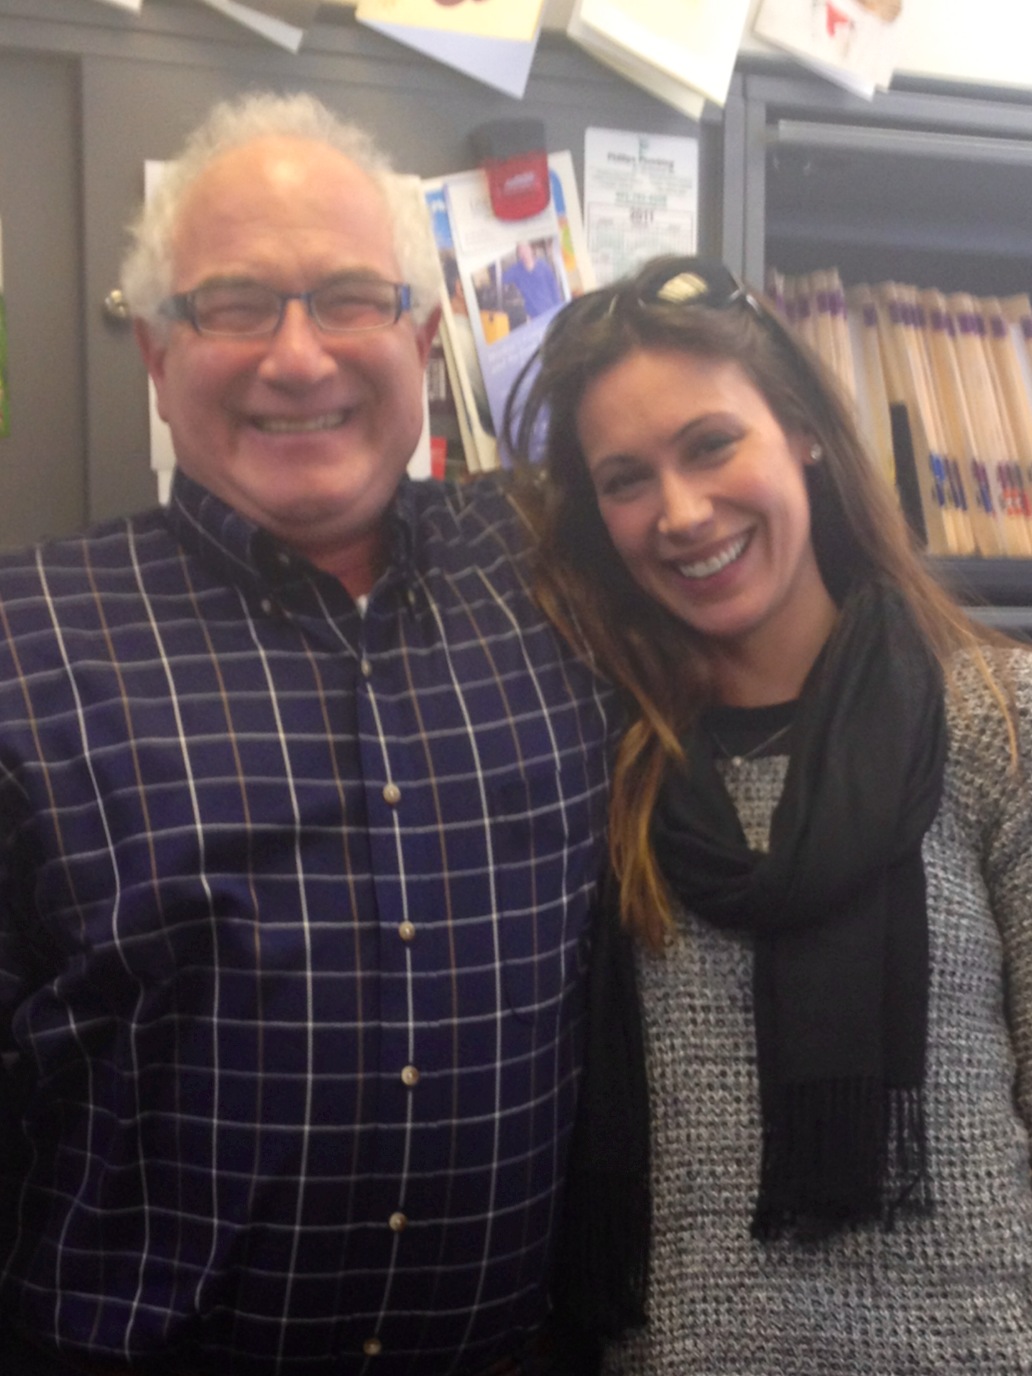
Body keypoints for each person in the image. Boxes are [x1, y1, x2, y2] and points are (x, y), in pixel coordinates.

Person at [0, 92, 618, 1376]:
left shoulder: (560, 569)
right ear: (158, 357)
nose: (298, 355)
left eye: (348, 297)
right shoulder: (25, 640)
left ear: (423, 331)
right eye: (234, 304)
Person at [509, 255, 1032, 1374]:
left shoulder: (998, 719)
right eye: (625, 478)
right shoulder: (603, 757)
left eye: (710, 444)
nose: (682, 512)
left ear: (799, 428)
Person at [501, 244, 563, 322]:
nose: (524, 254)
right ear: (518, 255)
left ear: (531, 250)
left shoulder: (543, 266)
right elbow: (502, 279)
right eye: (521, 252)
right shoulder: (516, 270)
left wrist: (559, 310)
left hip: (551, 310)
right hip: (535, 316)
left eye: (526, 250)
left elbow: (554, 288)